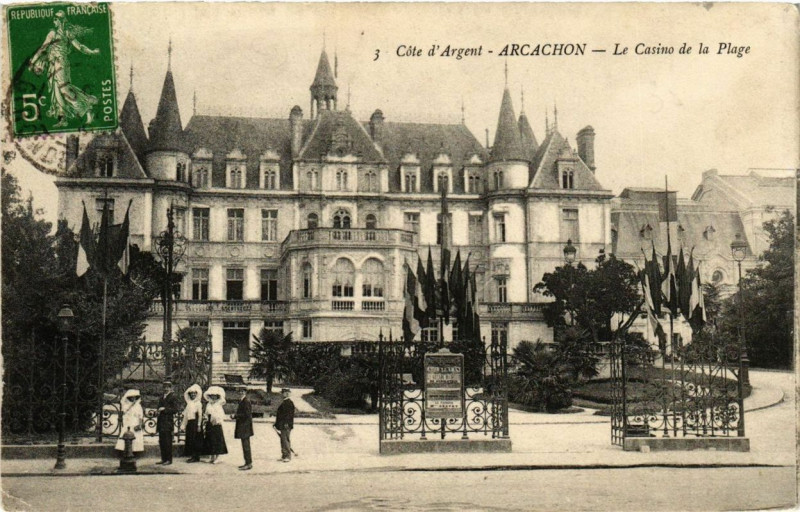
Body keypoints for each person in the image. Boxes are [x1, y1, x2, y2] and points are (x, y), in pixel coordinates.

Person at [28, 11, 100, 127]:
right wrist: (33, 61)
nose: (55, 21)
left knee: (64, 89)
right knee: (57, 92)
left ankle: (86, 107)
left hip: (61, 63)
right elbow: (43, 48)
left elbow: (80, 47)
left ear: (61, 21)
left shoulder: (66, 33)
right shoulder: (52, 33)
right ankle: (63, 118)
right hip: (53, 65)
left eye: (57, 19)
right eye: (55, 19)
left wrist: (91, 52)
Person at [156, 381, 182, 465]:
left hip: (168, 422)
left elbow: (175, 409)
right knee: (162, 441)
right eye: (164, 387)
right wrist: (157, 411)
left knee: (167, 441)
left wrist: (165, 409)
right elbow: (158, 407)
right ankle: (163, 459)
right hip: (161, 422)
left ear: (171, 388)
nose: (166, 389)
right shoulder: (161, 397)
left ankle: (169, 460)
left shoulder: (173, 397)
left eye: (168, 387)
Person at [203, 386, 228, 464]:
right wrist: (206, 418)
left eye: (215, 396)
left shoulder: (218, 405)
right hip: (209, 424)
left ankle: (217, 457)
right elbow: (206, 413)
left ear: (217, 397)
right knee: (210, 440)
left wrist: (216, 420)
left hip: (216, 424)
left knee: (217, 440)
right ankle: (211, 457)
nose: (213, 397)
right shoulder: (208, 404)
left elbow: (221, 415)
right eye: (212, 396)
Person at [114, 389, 144, 455]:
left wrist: (140, 424)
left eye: (135, 397)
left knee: (136, 435)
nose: (133, 399)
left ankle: (135, 451)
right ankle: (125, 450)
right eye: (131, 397)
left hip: (135, 422)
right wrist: (131, 405)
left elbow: (140, 416)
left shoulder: (138, 406)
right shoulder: (126, 405)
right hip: (128, 421)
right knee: (126, 434)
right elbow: (124, 412)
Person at [181, 384, 203, 463]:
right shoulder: (189, 403)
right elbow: (186, 415)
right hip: (190, 423)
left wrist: (199, 425)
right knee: (190, 439)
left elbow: (200, 415)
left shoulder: (198, 403)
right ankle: (192, 455)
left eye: (194, 393)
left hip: (195, 423)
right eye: (191, 393)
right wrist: (183, 425)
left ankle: (196, 456)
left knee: (195, 440)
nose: (193, 395)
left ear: (197, 394)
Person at [233, 388, 253, 470]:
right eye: (240, 391)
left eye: (243, 391)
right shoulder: (242, 401)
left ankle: (248, 463)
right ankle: (247, 462)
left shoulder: (246, 401)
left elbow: (247, 414)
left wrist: (235, 416)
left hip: (245, 427)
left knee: (246, 446)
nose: (241, 392)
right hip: (244, 427)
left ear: (245, 392)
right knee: (245, 445)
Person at [274, 388, 295, 462]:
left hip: (286, 425)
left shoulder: (289, 403)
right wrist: (276, 424)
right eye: (282, 393)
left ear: (287, 394)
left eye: (283, 393)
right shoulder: (285, 402)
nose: (282, 394)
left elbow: (289, 415)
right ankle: (284, 455)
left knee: (285, 440)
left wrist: (286, 423)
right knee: (283, 440)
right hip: (282, 424)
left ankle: (288, 456)